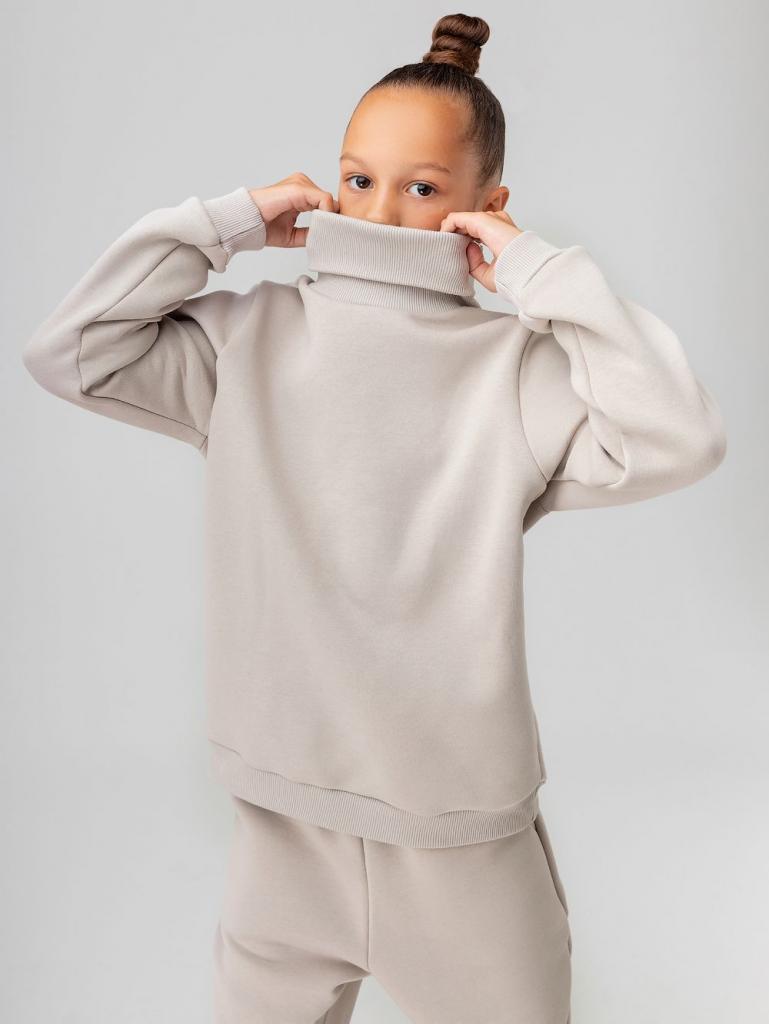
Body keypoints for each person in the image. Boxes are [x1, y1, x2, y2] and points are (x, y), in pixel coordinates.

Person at [21, 12, 727, 1024]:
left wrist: (538, 275)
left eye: (422, 188)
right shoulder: (249, 339)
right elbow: (70, 352)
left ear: (487, 209)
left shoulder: (512, 372)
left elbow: (680, 437)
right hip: (281, 828)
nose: (381, 209)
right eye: (358, 178)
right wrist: (223, 226)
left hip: (459, 855)